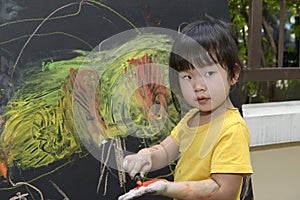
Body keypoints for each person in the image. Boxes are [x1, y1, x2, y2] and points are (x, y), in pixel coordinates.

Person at [118, 18, 253, 200]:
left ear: (233, 74)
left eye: (209, 74)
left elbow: (223, 190)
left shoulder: (232, 129)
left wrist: (168, 188)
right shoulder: (191, 119)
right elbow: (165, 151)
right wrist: (146, 156)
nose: (198, 86)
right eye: (188, 77)